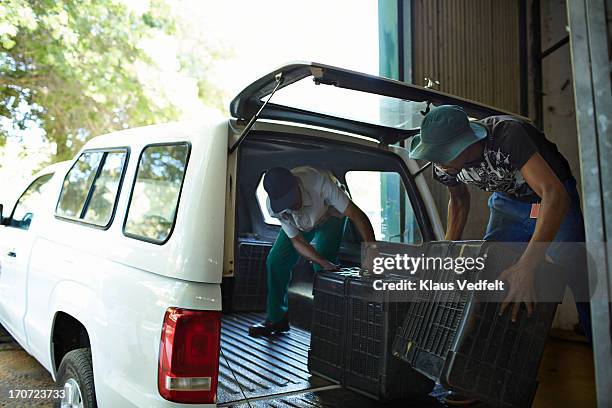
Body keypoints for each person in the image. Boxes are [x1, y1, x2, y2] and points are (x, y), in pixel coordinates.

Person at [409, 104, 591, 405]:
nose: (438, 164)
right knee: (488, 277)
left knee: (581, 281)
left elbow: (553, 195)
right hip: (507, 202)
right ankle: (477, 376)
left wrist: (526, 266)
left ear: (466, 143)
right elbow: (459, 200)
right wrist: (446, 250)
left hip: (550, 196)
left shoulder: (507, 135)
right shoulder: (442, 162)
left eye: (444, 155)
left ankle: (603, 349)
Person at [248, 166, 375, 337]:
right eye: (285, 203)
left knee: (325, 269)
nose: (291, 205)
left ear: (296, 183)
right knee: (276, 261)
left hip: (331, 216)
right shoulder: (275, 207)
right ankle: (277, 319)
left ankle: (332, 325)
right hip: (301, 222)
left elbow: (358, 216)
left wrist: (371, 255)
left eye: (291, 198)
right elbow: (297, 241)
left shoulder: (321, 183)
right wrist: (319, 260)